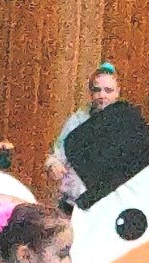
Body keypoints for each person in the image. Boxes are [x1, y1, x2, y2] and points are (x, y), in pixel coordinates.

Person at [45, 62, 120, 214]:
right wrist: (54, 165)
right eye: (97, 90)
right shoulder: (77, 121)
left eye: (108, 90)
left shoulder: (125, 125)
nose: (102, 95)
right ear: (91, 93)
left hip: (108, 209)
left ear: (118, 92)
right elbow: (58, 156)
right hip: (73, 206)